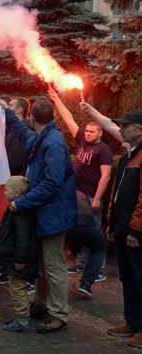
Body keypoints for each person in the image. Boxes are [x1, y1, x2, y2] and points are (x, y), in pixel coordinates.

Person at [0, 98, 77, 334]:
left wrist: (22, 201)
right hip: (45, 214)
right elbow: (22, 133)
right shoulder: (42, 137)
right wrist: (8, 112)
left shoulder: (52, 143)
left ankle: (58, 314)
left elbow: (52, 183)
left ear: (32, 117)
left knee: (53, 266)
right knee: (41, 264)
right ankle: (41, 305)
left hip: (54, 215)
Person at [48, 88, 112, 281]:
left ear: (101, 132)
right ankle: (83, 265)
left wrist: (98, 199)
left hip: (92, 197)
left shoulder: (104, 150)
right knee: (83, 231)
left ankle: (98, 270)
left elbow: (106, 176)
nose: (89, 134)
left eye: (93, 131)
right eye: (88, 131)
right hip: (78, 196)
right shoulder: (83, 140)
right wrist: (56, 99)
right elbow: (69, 120)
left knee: (95, 234)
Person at [104, 110, 142, 348]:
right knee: (127, 278)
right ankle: (132, 322)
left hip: (135, 232)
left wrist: (136, 230)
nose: (121, 129)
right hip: (122, 227)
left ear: (140, 129)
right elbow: (117, 193)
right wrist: (111, 222)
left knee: (140, 280)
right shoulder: (129, 154)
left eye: (126, 125)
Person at [0, 97, 33, 286]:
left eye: (11, 106)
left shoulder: (23, 130)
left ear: (20, 111)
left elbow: (15, 158)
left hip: (16, 187)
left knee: (14, 230)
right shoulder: (11, 129)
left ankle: (12, 271)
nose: (7, 108)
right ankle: (4, 268)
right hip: (11, 186)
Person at [0, 176, 37, 332]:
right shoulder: (17, 210)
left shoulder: (20, 212)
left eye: (6, 189)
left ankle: (22, 320)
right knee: (16, 287)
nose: (3, 192)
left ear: (16, 193)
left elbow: (23, 237)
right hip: (16, 257)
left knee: (18, 289)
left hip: (19, 259)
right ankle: (21, 316)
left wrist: (19, 259)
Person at [65, 190, 108, 297]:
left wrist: (74, 251)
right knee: (100, 247)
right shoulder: (82, 194)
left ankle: (33, 282)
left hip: (64, 224)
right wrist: (74, 251)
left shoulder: (57, 189)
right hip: (87, 225)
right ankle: (86, 283)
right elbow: (82, 234)